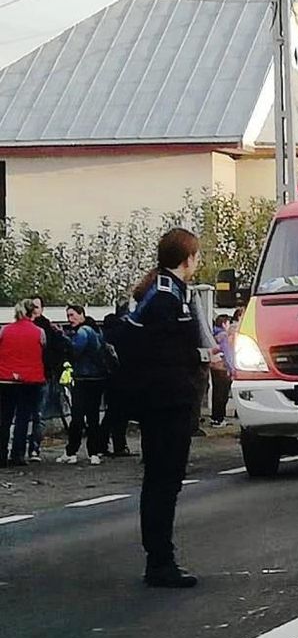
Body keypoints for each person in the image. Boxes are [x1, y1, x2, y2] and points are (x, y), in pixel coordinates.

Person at [125, 228, 209, 588]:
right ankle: (160, 561)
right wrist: (202, 356)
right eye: (197, 255)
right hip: (166, 402)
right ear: (187, 257)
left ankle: (160, 557)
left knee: (162, 482)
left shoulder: (166, 292)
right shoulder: (164, 298)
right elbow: (167, 353)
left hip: (164, 400)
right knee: (163, 482)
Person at [56, 305, 107, 466]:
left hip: (83, 378)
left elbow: (75, 350)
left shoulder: (83, 332)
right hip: (97, 378)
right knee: (93, 417)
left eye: (72, 315)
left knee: (77, 417)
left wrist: (62, 337)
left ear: (81, 315)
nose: (70, 319)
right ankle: (94, 452)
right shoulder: (96, 331)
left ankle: (71, 452)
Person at [0, 299, 47, 467]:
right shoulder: (39, 332)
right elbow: (42, 350)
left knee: (4, 419)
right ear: (31, 312)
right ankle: (17, 455)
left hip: (5, 378)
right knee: (22, 418)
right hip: (30, 380)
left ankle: (1, 455)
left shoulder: (4, 330)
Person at [28, 295, 65, 462]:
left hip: (43, 375)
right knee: (29, 414)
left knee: (38, 414)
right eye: (32, 306)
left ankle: (34, 448)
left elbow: (59, 350)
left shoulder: (48, 329)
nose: (34, 309)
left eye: (37, 306)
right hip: (28, 376)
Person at [98, 305, 132, 457]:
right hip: (123, 379)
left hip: (109, 379)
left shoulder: (104, 337)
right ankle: (119, 445)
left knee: (111, 413)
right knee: (120, 414)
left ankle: (103, 444)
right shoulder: (122, 335)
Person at [210, 314, 235, 427]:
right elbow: (227, 353)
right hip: (222, 367)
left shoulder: (213, 334)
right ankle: (220, 418)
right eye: (228, 323)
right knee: (222, 394)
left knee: (216, 393)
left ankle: (215, 418)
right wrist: (232, 369)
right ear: (224, 323)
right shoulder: (224, 336)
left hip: (214, 366)